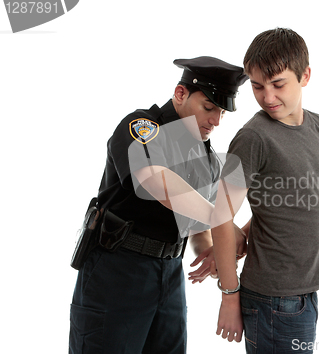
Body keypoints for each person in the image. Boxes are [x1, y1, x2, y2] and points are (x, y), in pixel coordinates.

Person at [69, 56, 248, 354]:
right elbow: (156, 182)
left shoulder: (206, 155)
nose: (215, 121)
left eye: (221, 112)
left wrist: (214, 249)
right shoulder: (141, 126)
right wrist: (222, 223)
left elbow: (192, 220)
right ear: (180, 94)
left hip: (170, 273)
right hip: (119, 269)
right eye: (208, 108)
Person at [207, 28, 319, 352]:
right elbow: (219, 216)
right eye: (257, 86)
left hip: (306, 290)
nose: (268, 97)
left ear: (304, 75)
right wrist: (229, 296)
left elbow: (291, 201)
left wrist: (247, 234)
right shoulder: (254, 138)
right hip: (272, 299)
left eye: (278, 84)